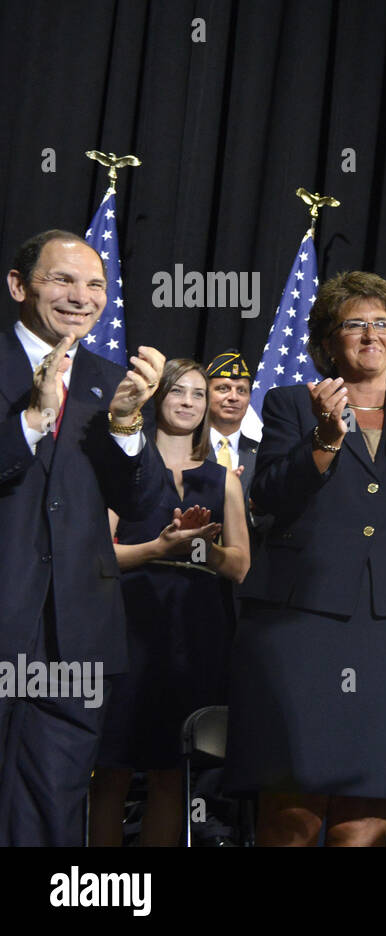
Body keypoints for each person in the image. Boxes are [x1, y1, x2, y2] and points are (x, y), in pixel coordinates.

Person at [222, 270, 386, 846]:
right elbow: (269, 498)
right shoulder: (292, 404)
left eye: (383, 325)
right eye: (355, 324)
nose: (372, 335)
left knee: (368, 808)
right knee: (291, 805)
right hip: (299, 624)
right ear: (328, 341)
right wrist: (324, 443)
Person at [0, 229, 166, 846]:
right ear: (20, 286)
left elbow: (143, 503)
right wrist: (33, 419)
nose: (82, 296)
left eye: (95, 284)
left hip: (77, 634)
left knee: (54, 798)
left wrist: (126, 426)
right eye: (63, 280)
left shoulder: (109, 380)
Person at [89, 358, 250, 846]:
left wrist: (198, 546)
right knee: (112, 765)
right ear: (157, 399)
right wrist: (160, 548)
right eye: (178, 391)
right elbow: (99, 557)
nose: (188, 402)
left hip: (195, 629)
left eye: (198, 394)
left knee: (171, 767)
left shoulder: (224, 479)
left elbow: (241, 566)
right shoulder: (126, 469)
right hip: (128, 623)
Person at [204, 350, 258, 498]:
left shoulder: (261, 453)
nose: (234, 397)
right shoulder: (187, 447)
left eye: (241, 390)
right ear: (205, 393)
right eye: (223, 388)